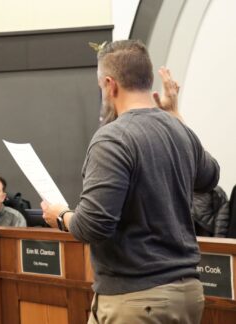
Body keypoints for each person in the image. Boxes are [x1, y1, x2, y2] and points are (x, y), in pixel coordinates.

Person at [41, 40, 219, 324]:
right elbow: (210, 177)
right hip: (187, 293)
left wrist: (61, 216)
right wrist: (174, 114)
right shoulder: (179, 129)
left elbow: (93, 225)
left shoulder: (113, 137)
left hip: (138, 299)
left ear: (110, 85)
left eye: (101, 87)